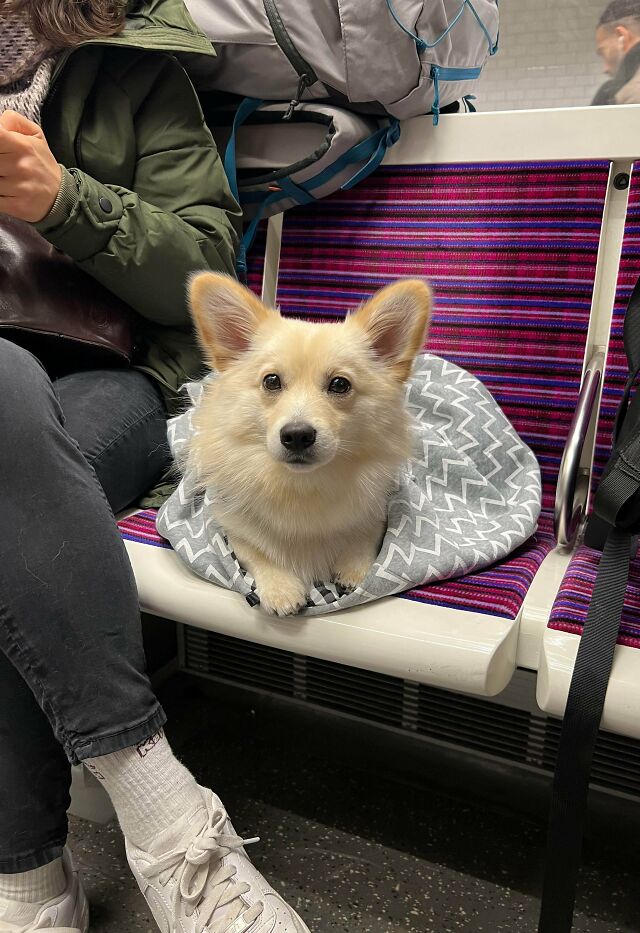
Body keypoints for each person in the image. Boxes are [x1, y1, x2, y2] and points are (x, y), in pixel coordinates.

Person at [0, 1, 311, 931]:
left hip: (106, 372)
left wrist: (62, 198)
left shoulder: (131, 65)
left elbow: (206, 265)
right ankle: (176, 833)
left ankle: (40, 879)